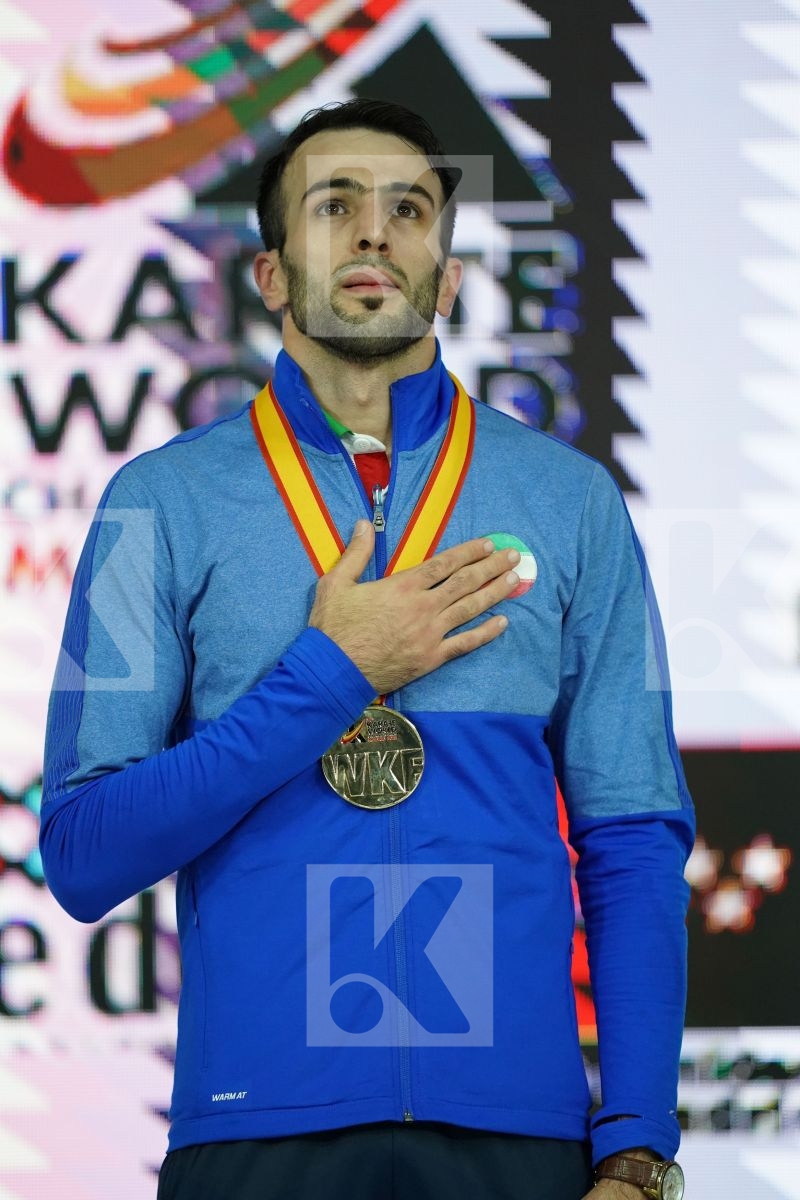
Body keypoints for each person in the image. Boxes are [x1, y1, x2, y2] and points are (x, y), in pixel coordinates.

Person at [41, 99, 694, 1200]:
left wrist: (634, 1149)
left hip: (518, 1141)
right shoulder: (156, 505)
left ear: (443, 279)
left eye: (408, 210)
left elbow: (629, 839)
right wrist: (329, 673)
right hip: (252, 1138)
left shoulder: (571, 502)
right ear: (269, 274)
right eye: (332, 204)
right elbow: (85, 851)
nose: (373, 232)